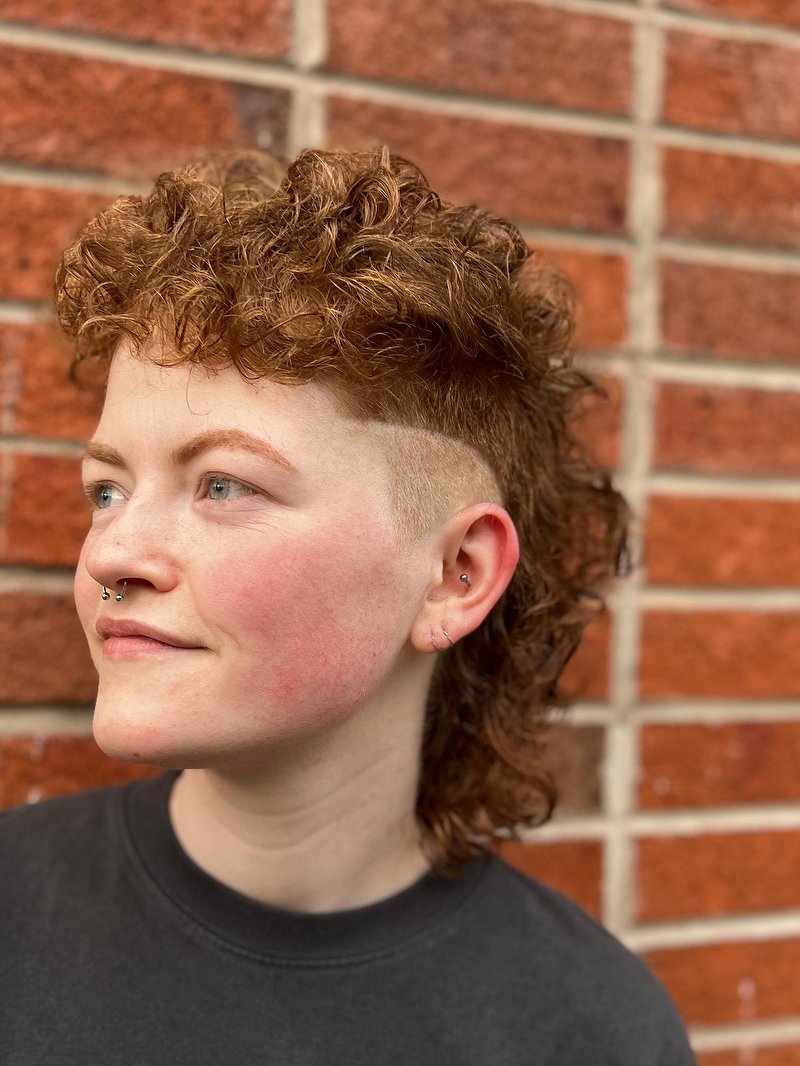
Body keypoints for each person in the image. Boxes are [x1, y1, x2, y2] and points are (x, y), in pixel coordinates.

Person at [0, 147, 695, 1064]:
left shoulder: (591, 1032)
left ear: (455, 574)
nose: (111, 555)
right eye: (108, 489)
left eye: (224, 486)